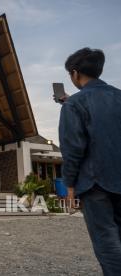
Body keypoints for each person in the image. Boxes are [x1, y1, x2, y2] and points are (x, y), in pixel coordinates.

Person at [59, 47, 121, 275]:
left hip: (95, 184)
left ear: (75, 74)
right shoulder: (118, 96)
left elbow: (73, 149)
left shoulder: (74, 105)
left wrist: (70, 185)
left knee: (107, 242)